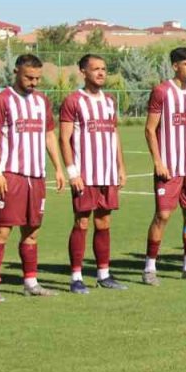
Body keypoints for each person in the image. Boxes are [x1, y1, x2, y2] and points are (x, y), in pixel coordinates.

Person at [0, 54, 65, 301]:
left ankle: (30, 282)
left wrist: (58, 168)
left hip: (36, 176)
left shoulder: (42, 101)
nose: (34, 82)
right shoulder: (2, 100)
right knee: (2, 230)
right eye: (29, 77)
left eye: (38, 78)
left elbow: (50, 135)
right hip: (11, 175)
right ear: (16, 72)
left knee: (32, 231)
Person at [59, 53, 127, 294]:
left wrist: (120, 166)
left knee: (104, 221)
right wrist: (72, 172)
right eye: (96, 69)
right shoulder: (73, 101)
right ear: (83, 72)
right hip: (85, 174)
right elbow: (64, 139)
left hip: (107, 172)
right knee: (82, 221)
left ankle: (103, 274)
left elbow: (114, 133)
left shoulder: (109, 101)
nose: (101, 73)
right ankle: (76, 277)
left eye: (104, 69)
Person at [142, 47, 186, 285]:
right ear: (175, 66)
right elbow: (150, 129)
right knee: (162, 215)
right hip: (169, 166)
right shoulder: (161, 91)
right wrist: (158, 161)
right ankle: (149, 268)